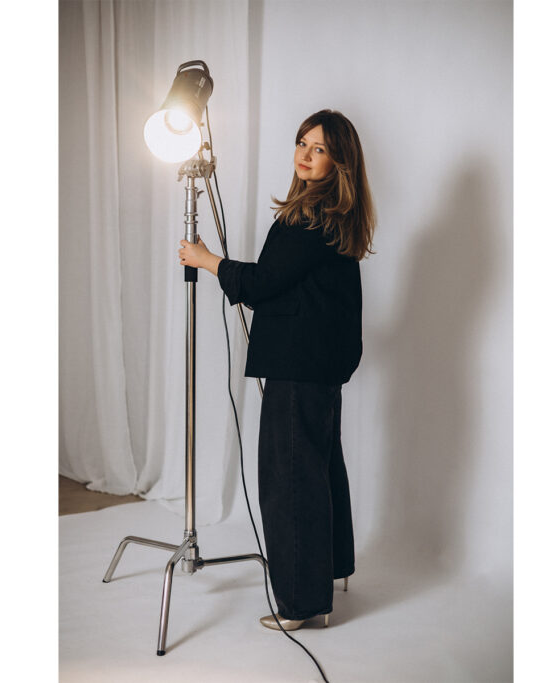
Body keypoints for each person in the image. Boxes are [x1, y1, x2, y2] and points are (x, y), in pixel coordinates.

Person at [178, 109, 375, 630]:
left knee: (289, 480)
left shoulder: (309, 216)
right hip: (320, 365)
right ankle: (330, 571)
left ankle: (301, 603)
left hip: (297, 364)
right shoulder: (336, 216)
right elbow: (295, 287)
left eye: (319, 148)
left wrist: (206, 259)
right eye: (302, 142)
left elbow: (264, 283)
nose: (305, 154)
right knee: (321, 467)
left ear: (340, 162)